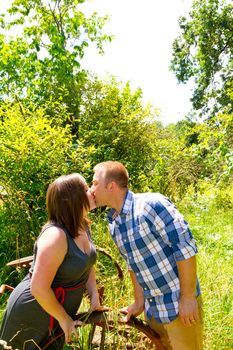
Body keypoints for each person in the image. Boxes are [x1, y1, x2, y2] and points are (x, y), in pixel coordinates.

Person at [91, 161, 203, 350]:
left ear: (111, 186)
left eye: (94, 183)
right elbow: (133, 263)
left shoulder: (151, 205)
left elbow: (185, 247)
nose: (91, 188)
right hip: (153, 313)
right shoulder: (114, 222)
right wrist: (139, 302)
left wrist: (188, 297)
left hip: (179, 307)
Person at [0, 173, 101, 350]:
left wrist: (93, 294)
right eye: (85, 189)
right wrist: (64, 319)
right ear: (72, 200)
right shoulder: (56, 236)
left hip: (56, 311)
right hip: (33, 311)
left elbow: (87, 263)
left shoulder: (83, 224)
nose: (92, 191)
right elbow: (38, 287)